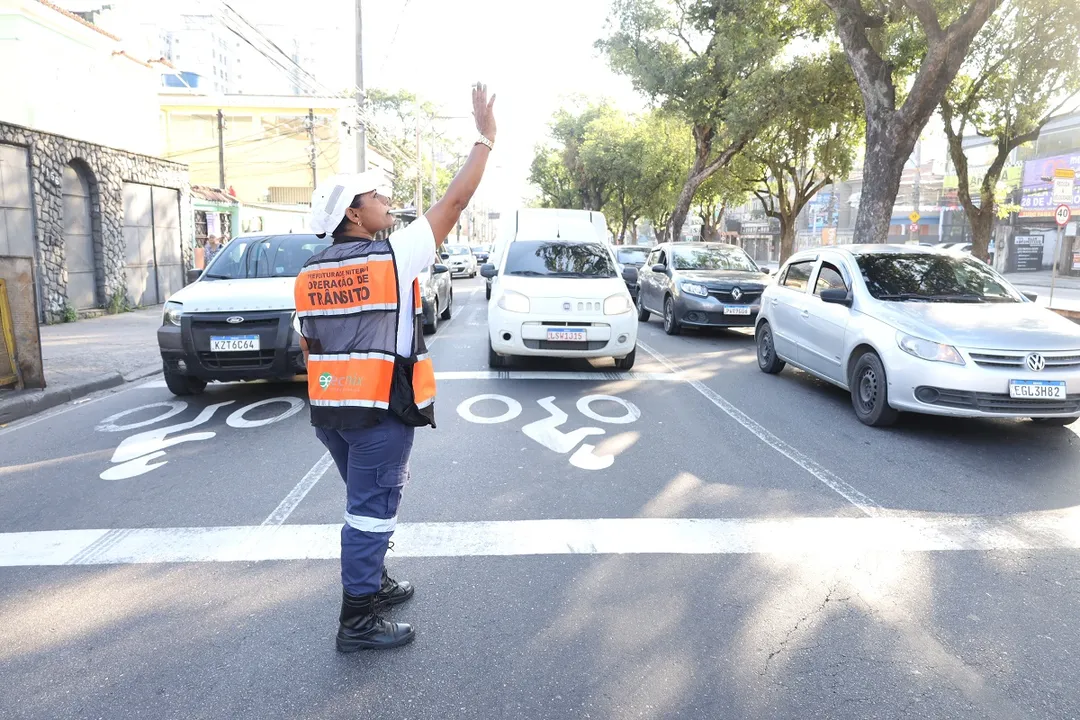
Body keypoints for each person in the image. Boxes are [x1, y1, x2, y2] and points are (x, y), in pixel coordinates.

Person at [294, 82, 497, 652]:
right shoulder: (390, 253)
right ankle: (357, 620)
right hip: (379, 411)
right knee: (371, 513)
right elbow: (454, 203)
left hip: (331, 412)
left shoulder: (310, 271)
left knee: (366, 507)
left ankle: (373, 582)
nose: (386, 201)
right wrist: (485, 138)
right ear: (354, 214)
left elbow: (309, 347)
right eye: (376, 196)